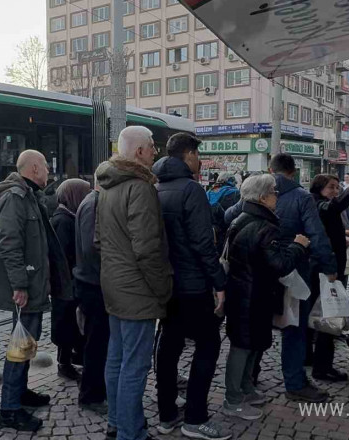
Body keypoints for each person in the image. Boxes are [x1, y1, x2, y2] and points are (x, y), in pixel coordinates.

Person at [223, 154, 335, 402]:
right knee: (293, 328)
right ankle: (294, 383)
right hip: (292, 271)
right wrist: (329, 267)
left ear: (271, 169)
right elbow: (316, 235)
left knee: (256, 327)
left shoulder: (251, 195)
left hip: (260, 276)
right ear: (293, 172)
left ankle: (249, 378)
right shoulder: (301, 197)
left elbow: (228, 217)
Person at [152, 134, 230, 440]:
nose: (200, 160)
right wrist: (219, 282)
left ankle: (167, 414)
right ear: (188, 154)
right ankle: (195, 418)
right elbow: (202, 243)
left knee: (169, 346)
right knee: (208, 345)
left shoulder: (155, 188)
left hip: (167, 284)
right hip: (194, 285)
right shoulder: (191, 190)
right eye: (198, 154)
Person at [96, 126, 172, 440]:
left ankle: (117, 421)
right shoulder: (140, 188)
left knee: (116, 357)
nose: (156, 152)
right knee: (135, 366)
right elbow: (147, 249)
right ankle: (131, 432)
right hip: (137, 289)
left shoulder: (107, 187)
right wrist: (163, 288)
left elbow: (99, 240)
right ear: (139, 151)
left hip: (114, 284)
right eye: (153, 146)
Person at [0, 150, 72, 432]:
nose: (49, 171)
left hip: (35, 284)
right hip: (26, 287)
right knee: (20, 347)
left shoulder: (30, 196)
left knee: (27, 343)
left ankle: (20, 393)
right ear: (34, 168)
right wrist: (19, 285)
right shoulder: (15, 198)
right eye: (46, 166)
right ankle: (9, 410)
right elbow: (9, 245)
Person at [221, 174, 310, 420]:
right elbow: (279, 264)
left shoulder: (243, 218)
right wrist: (298, 245)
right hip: (251, 295)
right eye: (273, 192)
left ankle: (246, 389)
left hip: (248, 293)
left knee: (252, 344)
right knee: (242, 346)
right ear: (262, 197)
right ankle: (233, 399)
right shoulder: (262, 225)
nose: (277, 195)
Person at [307, 174, 349, 382]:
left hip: (330, 267)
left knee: (324, 319)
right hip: (326, 269)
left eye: (337, 187)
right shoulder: (318, 205)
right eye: (331, 188)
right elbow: (334, 208)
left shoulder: (326, 205)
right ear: (319, 189)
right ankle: (321, 367)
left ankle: (314, 361)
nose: (335, 191)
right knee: (328, 320)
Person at [73, 174, 109, 414]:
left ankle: (96, 390)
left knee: (99, 341)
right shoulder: (93, 203)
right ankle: (90, 395)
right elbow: (90, 248)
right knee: (96, 343)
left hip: (93, 282)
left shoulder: (94, 201)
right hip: (93, 284)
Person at [50, 179, 92, 381]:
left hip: (69, 283)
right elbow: (64, 256)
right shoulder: (64, 221)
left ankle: (72, 358)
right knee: (66, 324)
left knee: (71, 324)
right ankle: (64, 363)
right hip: (66, 285)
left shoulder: (68, 217)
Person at [207, 173, 241, 256]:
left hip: (210, 229)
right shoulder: (234, 192)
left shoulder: (210, 190)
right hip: (225, 229)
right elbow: (235, 214)